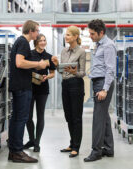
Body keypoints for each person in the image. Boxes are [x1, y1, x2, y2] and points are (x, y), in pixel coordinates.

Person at [8, 20, 49, 163]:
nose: (38, 34)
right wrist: (38, 63)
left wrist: (41, 66)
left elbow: (24, 64)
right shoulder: (24, 43)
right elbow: (19, 63)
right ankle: (18, 152)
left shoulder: (20, 42)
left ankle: (13, 150)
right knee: (21, 119)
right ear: (31, 31)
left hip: (19, 85)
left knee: (16, 118)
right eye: (37, 31)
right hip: (22, 87)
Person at [84, 19, 116, 162]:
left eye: (92, 34)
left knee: (98, 118)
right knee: (104, 117)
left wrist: (104, 89)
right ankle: (108, 149)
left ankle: (96, 151)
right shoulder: (99, 44)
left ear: (101, 32)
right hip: (98, 81)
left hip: (103, 83)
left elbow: (110, 69)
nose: (90, 36)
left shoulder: (108, 45)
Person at [23, 34, 57, 152]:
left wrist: (47, 77)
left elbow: (53, 73)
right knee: (28, 117)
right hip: (30, 88)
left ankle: (37, 143)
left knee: (40, 115)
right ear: (36, 42)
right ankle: (31, 140)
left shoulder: (49, 57)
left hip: (43, 89)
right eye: (41, 40)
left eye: (44, 40)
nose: (43, 42)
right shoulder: (29, 54)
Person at [59, 26, 86, 158]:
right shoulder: (64, 51)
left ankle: (76, 147)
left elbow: (82, 73)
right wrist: (56, 65)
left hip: (76, 84)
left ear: (75, 36)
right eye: (66, 35)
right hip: (65, 84)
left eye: (69, 35)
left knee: (76, 117)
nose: (66, 37)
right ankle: (71, 143)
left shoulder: (81, 52)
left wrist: (75, 72)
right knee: (68, 116)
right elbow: (62, 69)